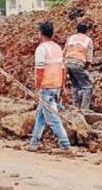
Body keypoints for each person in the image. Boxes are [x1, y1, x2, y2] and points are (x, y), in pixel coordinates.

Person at [29, 22, 72, 151]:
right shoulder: (57, 48)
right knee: (41, 115)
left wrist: (37, 90)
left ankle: (65, 143)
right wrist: (63, 87)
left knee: (52, 118)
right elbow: (63, 69)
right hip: (56, 87)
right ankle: (34, 142)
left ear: (40, 34)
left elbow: (40, 72)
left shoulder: (42, 49)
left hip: (46, 87)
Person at [63, 23, 94, 110]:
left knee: (75, 84)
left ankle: (75, 107)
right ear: (86, 31)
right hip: (78, 63)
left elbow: (64, 52)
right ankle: (85, 109)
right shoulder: (88, 40)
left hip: (67, 62)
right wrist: (86, 68)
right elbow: (89, 58)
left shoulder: (71, 38)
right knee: (88, 86)